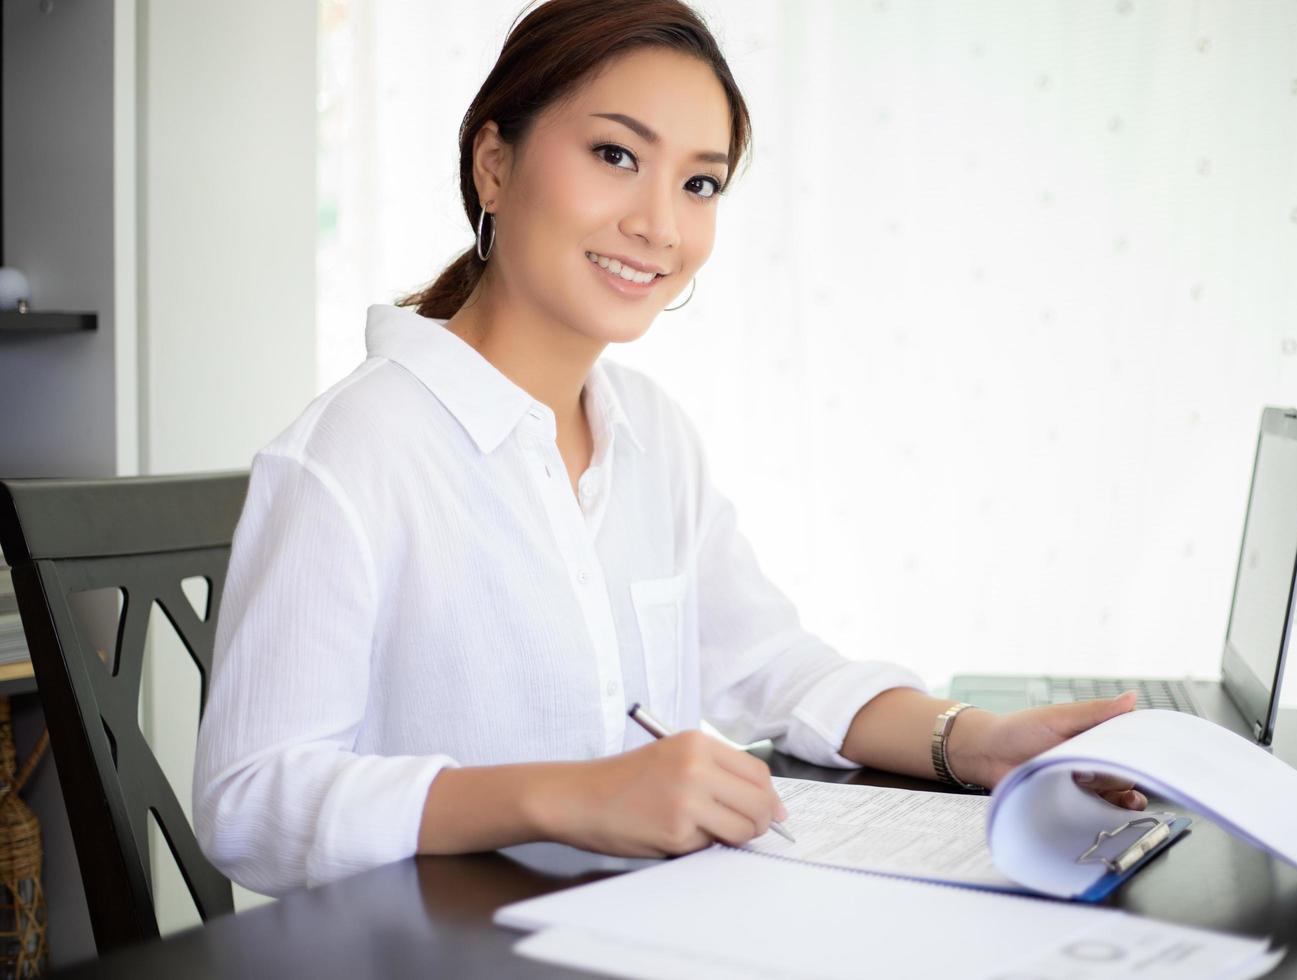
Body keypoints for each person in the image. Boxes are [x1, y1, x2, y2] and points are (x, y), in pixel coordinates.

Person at [193, 0, 1144, 897]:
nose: (660, 224)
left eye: (700, 182)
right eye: (615, 154)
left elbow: (772, 667)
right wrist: (565, 794)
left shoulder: (650, 435)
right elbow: (247, 801)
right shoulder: (353, 452)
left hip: (638, 928)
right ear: (494, 163)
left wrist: (976, 742)